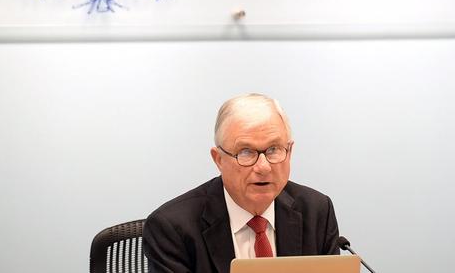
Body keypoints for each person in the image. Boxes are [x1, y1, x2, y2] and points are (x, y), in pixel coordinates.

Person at [142, 93, 340, 272]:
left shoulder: (317, 212)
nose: (263, 167)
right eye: (246, 152)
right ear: (218, 159)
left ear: (290, 152)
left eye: (273, 149)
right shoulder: (172, 228)